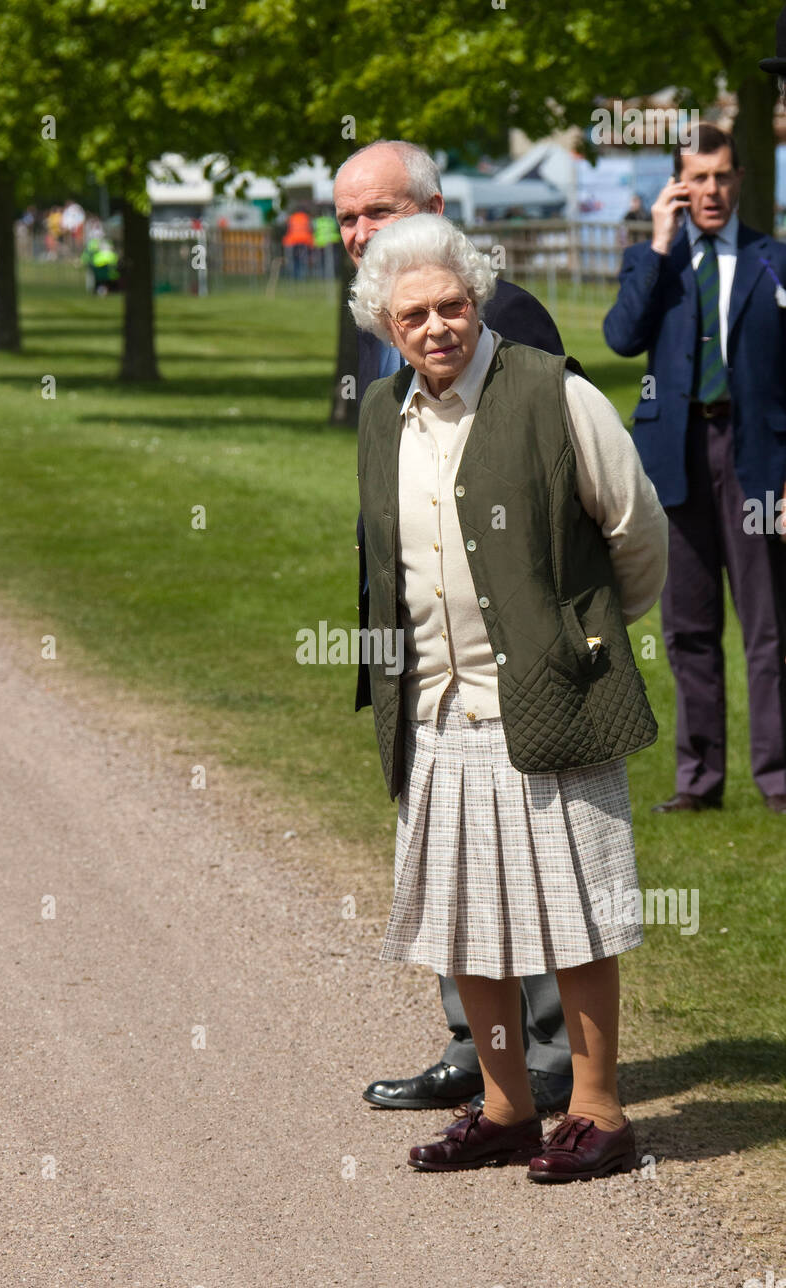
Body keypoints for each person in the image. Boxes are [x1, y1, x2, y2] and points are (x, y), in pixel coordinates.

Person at [349, 214, 668, 1178]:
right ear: (385, 324)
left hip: (549, 697)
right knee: (463, 920)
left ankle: (599, 1112)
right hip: (437, 709)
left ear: (479, 301)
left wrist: (582, 638)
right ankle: (504, 1107)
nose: (437, 326)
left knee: (574, 916)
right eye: (415, 315)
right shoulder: (379, 412)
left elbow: (636, 530)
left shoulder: (554, 393)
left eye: (452, 306)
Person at [334, 138, 575, 1117]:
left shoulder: (502, 313)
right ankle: (474, 1047)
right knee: (443, 844)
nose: (356, 232)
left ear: (432, 204)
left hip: (502, 648)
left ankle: (549, 1056)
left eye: (376, 212)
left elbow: (566, 484)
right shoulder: (380, 312)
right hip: (419, 642)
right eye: (346, 216)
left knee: (526, 840)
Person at [604, 123, 786, 815]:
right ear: (678, 185)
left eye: (721, 176)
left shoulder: (773, 261)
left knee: (767, 626)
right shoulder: (654, 261)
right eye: (696, 178)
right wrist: (656, 243)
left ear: (739, 179)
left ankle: (776, 779)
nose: (710, 190)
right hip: (673, 460)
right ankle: (699, 783)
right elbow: (621, 338)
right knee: (687, 629)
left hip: (757, 460)